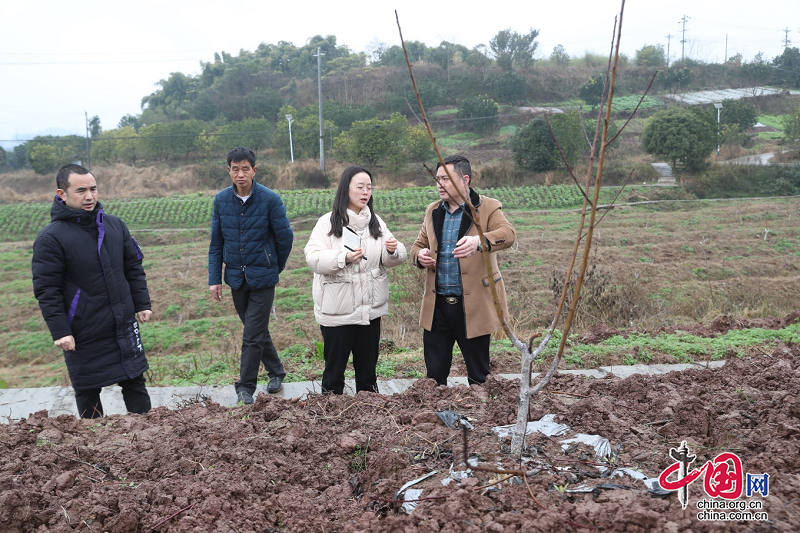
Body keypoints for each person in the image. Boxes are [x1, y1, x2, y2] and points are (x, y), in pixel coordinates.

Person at [32, 164, 153, 419]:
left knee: (135, 380)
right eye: (81, 190)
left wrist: (142, 303)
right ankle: (93, 444)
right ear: (62, 194)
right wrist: (61, 331)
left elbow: (133, 268)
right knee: (87, 388)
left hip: (121, 322)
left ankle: (148, 435)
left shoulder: (115, 225)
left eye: (93, 189)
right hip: (83, 328)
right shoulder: (51, 238)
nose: (89, 196)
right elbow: (47, 290)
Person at [410, 154, 516, 386]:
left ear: (465, 179)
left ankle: (482, 417)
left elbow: (508, 235)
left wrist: (479, 241)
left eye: (445, 179)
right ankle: (436, 418)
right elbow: (418, 245)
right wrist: (420, 256)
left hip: (474, 305)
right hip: (437, 307)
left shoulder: (487, 207)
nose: (439, 184)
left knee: (479, 376)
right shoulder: (433, 210)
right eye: (437, 179)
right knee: (434, 376)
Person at [304, 166, 407, 394]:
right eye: (360, 187)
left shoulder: (375, 223)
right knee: (334, 372)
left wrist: (392, 251)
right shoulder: (328, 223)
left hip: (369, 310)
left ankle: (369, 417)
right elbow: (313, 258)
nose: (365, 192)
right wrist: (343, 258)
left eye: (369, 188)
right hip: (338, 312)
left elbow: (394, 256)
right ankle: (331, 416)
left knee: (368, 372)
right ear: (346, 189)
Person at [209, 147, 294, 404]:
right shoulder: (221, 200)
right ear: (229, 171)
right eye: (235, 169)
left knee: (252, 335)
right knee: (255, 330)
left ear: (254, 170)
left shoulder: (270, 199)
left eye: (245, 168)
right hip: (236, 277)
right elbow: (216, 242)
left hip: (263, 278)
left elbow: (285, 237)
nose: (240, 174)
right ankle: (276, 371)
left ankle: (245, 387)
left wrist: (273, 266)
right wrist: (214, 278)